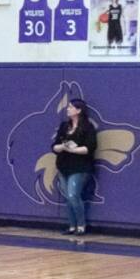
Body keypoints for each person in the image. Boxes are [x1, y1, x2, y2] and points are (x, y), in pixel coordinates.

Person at [52, 98, 96, 235]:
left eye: (71, 107)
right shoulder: (64, 126)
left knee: (73, 195)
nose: (68, 109)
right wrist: (63, 146)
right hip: (63, 166)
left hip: (80, 167)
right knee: (67, 197)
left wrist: (73, 149)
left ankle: (81, 225)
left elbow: (90, 148)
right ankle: (72, 225)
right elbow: (54, 146)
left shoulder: (88, 127)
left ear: (79, 110)